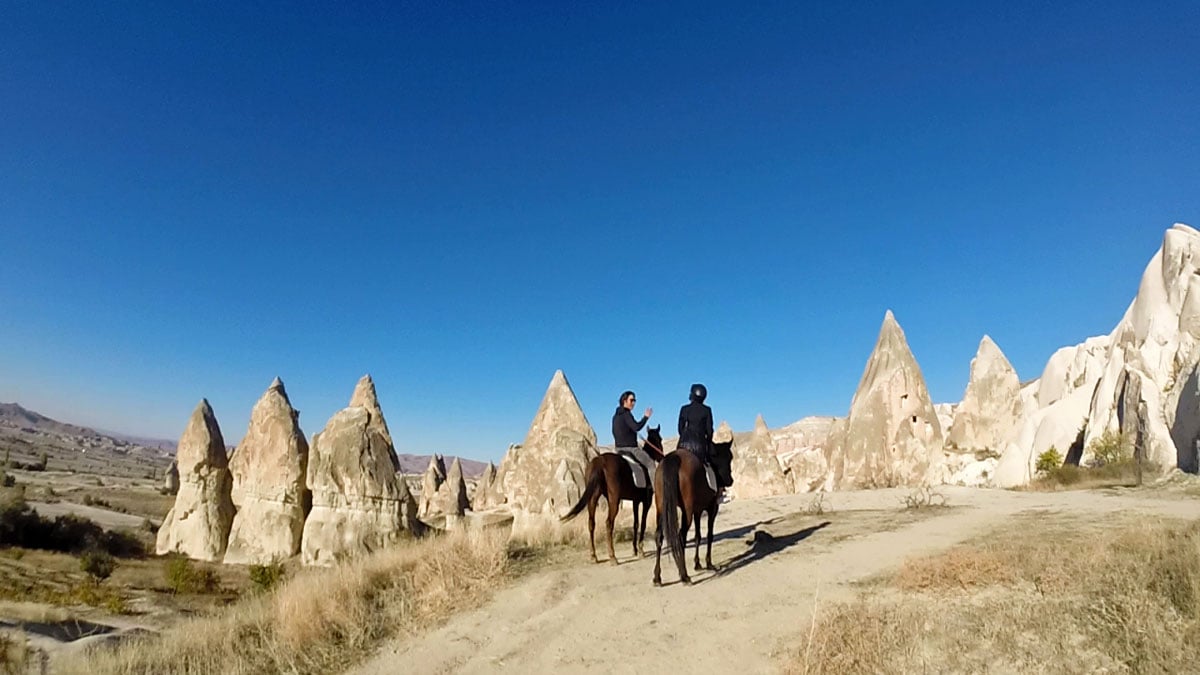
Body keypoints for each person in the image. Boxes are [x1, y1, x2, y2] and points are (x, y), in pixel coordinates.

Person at [677, 383, 724, 499]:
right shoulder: (707, 410)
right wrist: (708, 441)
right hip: (699, 445)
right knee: (713, 464)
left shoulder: (684, 409)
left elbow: (680, 428)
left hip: (683, 444)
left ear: (692, 395)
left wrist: (685, 437)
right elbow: (709, 431)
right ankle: (718, 490)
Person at [612, 390, 654, 486]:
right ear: (624, 401)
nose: (634, 403)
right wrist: (646, 417)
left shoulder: (615, 416)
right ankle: (657, 492)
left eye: (634, 400)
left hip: (618, 449)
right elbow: (637, 427)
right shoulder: (626, 414)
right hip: (631, 449)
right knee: (651, 463)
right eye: (631, 400)